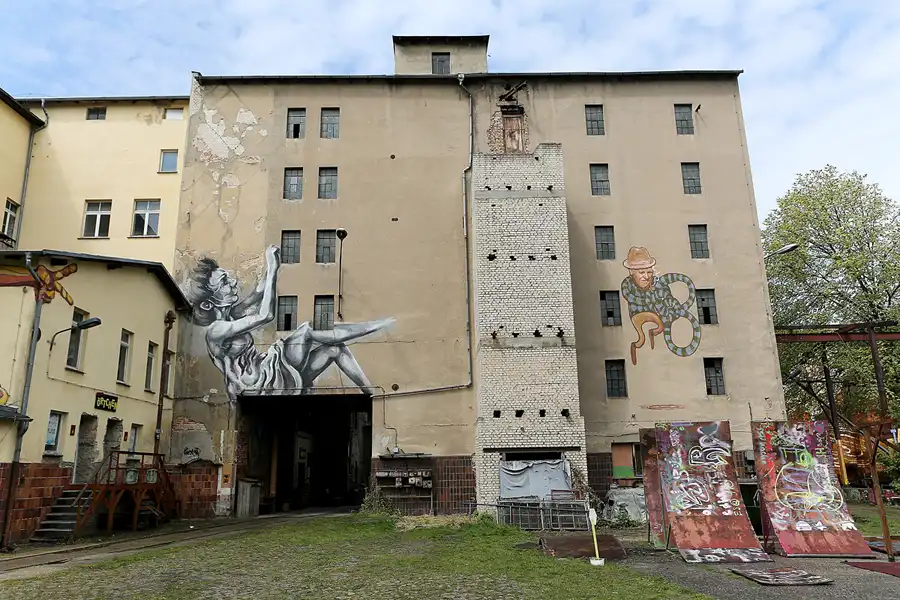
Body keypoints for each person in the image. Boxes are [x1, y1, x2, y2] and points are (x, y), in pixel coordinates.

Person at [187, 245, 393, 402]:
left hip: (269, 372)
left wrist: (272, 264)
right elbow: (265, 316)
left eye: (228, 278)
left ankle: (373, 396)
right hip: (260, 383)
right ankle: (374, 326)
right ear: (208, 303)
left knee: (334, 350)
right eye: (223, 282)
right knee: (307, 330)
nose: (232, 283)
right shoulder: (216, 331)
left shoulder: (232, 313)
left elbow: (258, 293)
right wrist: (274, 268)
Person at [619, 246, 700, 365]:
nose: (646, 276)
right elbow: (632, 298)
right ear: (632, 272)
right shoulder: (627, 284)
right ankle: (637, 344)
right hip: (638, 314)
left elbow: (672, 292)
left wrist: (673, 307)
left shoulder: (658, 284)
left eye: (649, 272)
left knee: (660, 322)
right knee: (642, 337)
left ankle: (654, 331)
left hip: (661, 312)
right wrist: (655, 300)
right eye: (641, 272)